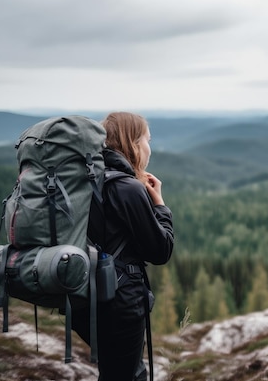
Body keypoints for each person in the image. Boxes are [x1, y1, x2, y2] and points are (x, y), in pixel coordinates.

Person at [73, 112, 175, 381]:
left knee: (117, 372)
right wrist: (161, 207)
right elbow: (160, 250)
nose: (149, 147)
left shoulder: (85, 180)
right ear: (134, 143)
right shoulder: (128, 188)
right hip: (119, 302)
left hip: (82, 297)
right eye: (147, 140)